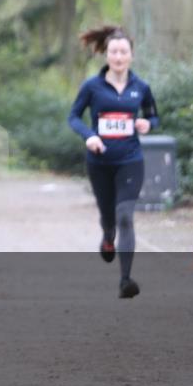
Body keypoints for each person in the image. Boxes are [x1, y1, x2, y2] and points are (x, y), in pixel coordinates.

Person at [67, 25, 159, 299]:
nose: (118, 57)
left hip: (131, 160)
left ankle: (125, 280)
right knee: (109, 218)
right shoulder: (92, 86)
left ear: (131, 55)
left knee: (125, 216)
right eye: (114, 52)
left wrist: (147, 124)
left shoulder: (141, 87)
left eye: (123, 52)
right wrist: (90, 136)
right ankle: (108, 237)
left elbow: (153, 116)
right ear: (106, 55)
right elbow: (73, 117)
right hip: (99, 163)